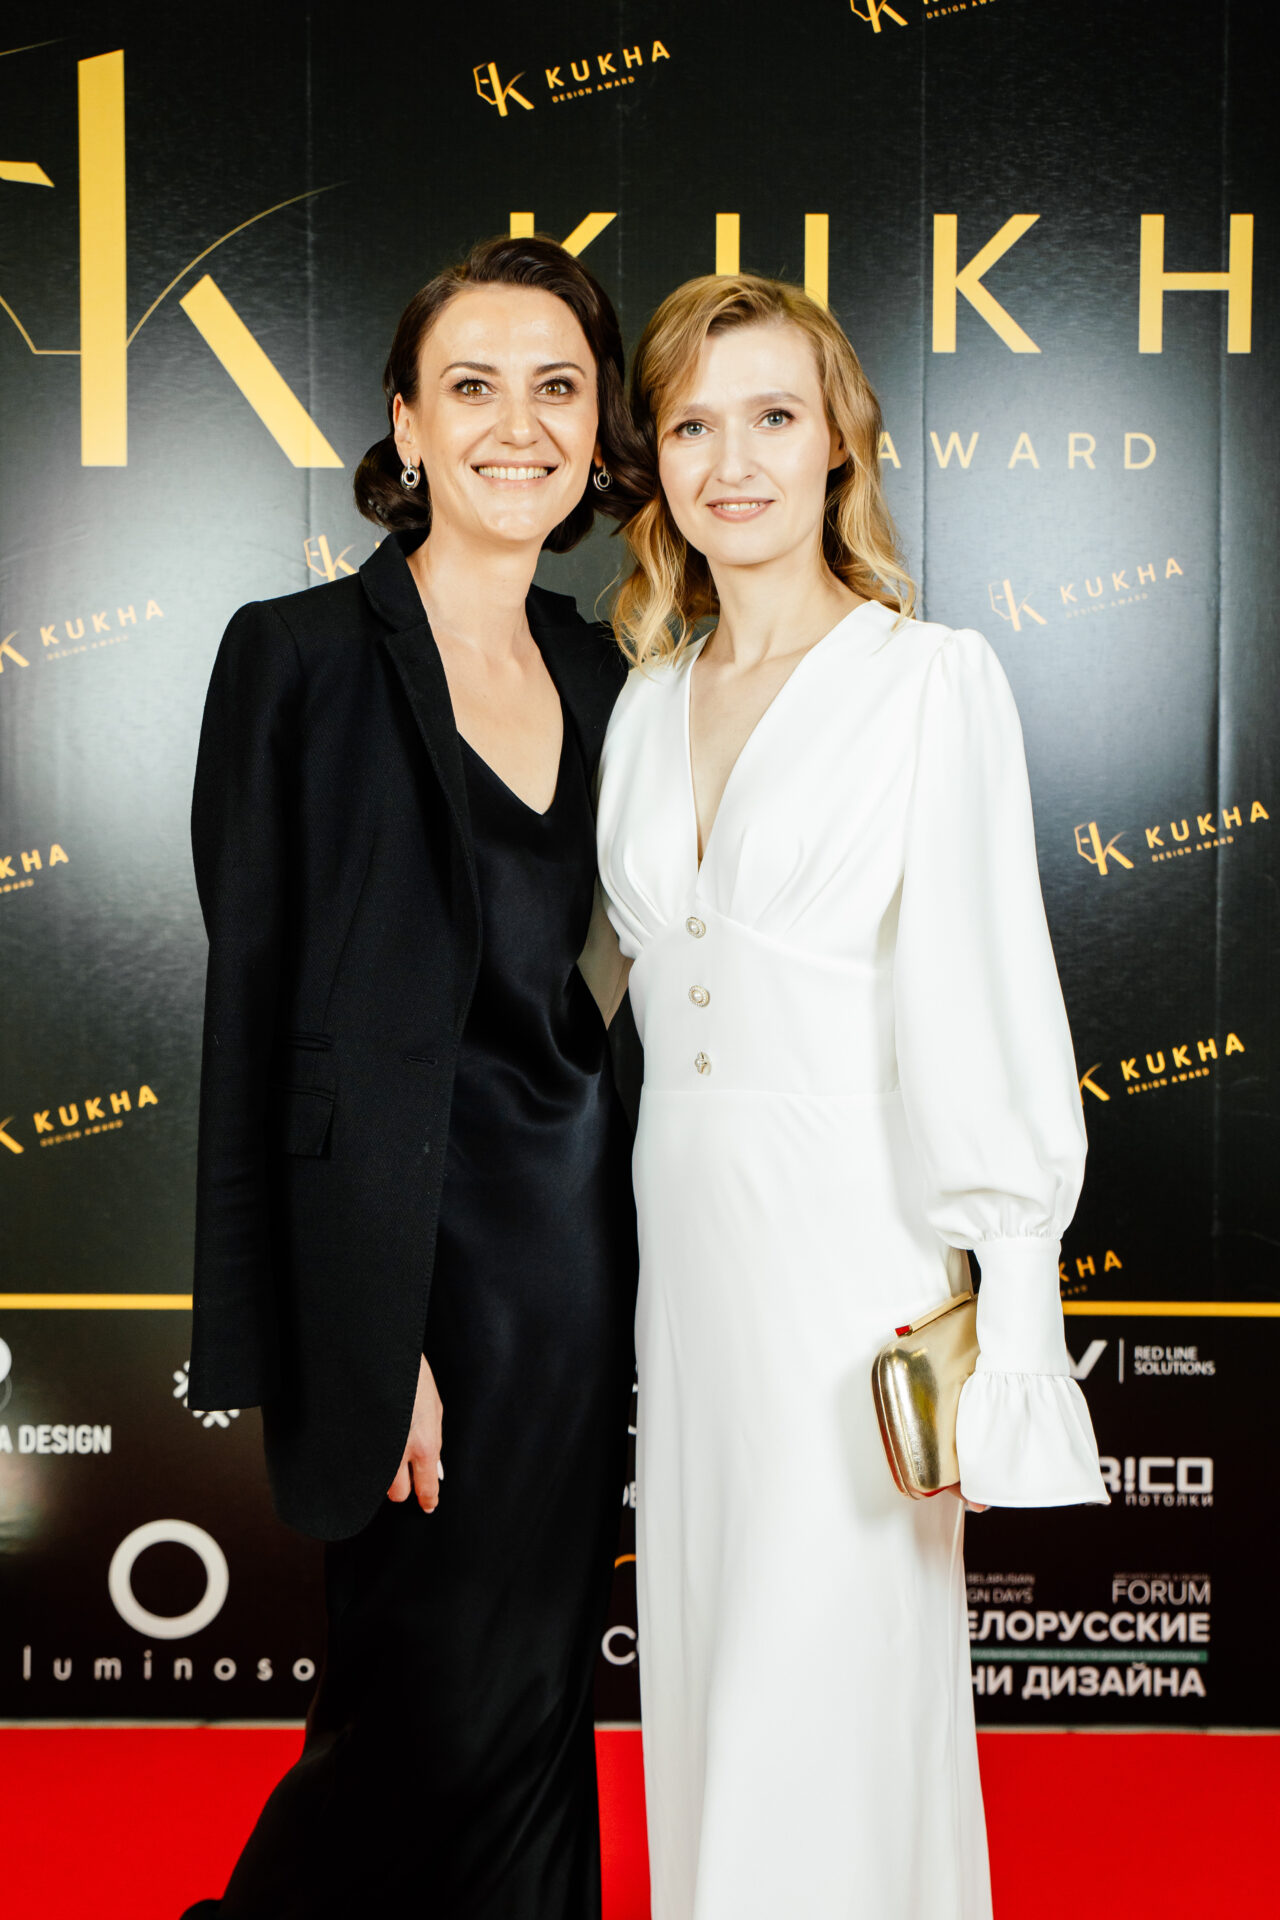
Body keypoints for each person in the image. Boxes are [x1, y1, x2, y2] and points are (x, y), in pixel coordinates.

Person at [592, 273, 1110, 1919]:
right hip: (685, 1266)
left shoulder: (926, 680)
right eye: (691, 424)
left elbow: (986, 997)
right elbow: (610, 996)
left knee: (829, 1680)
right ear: (657, 461)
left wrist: (1010, 1325)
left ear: (840, 445)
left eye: (772, 415)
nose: (731, 460)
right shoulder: (642, 699)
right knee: (709, 1668)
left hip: (845, 1263)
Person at [181, 234, 643, 1919]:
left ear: (599, 430)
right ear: (407, 423)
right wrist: (347, 1339)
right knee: (412, 1727)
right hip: (411, 1286)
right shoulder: (295, 657)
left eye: (558, 387)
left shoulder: (615, 674)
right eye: (473, 386)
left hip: (577, 1274)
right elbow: (257, 1024)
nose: (518, 425)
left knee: (537, 1716)